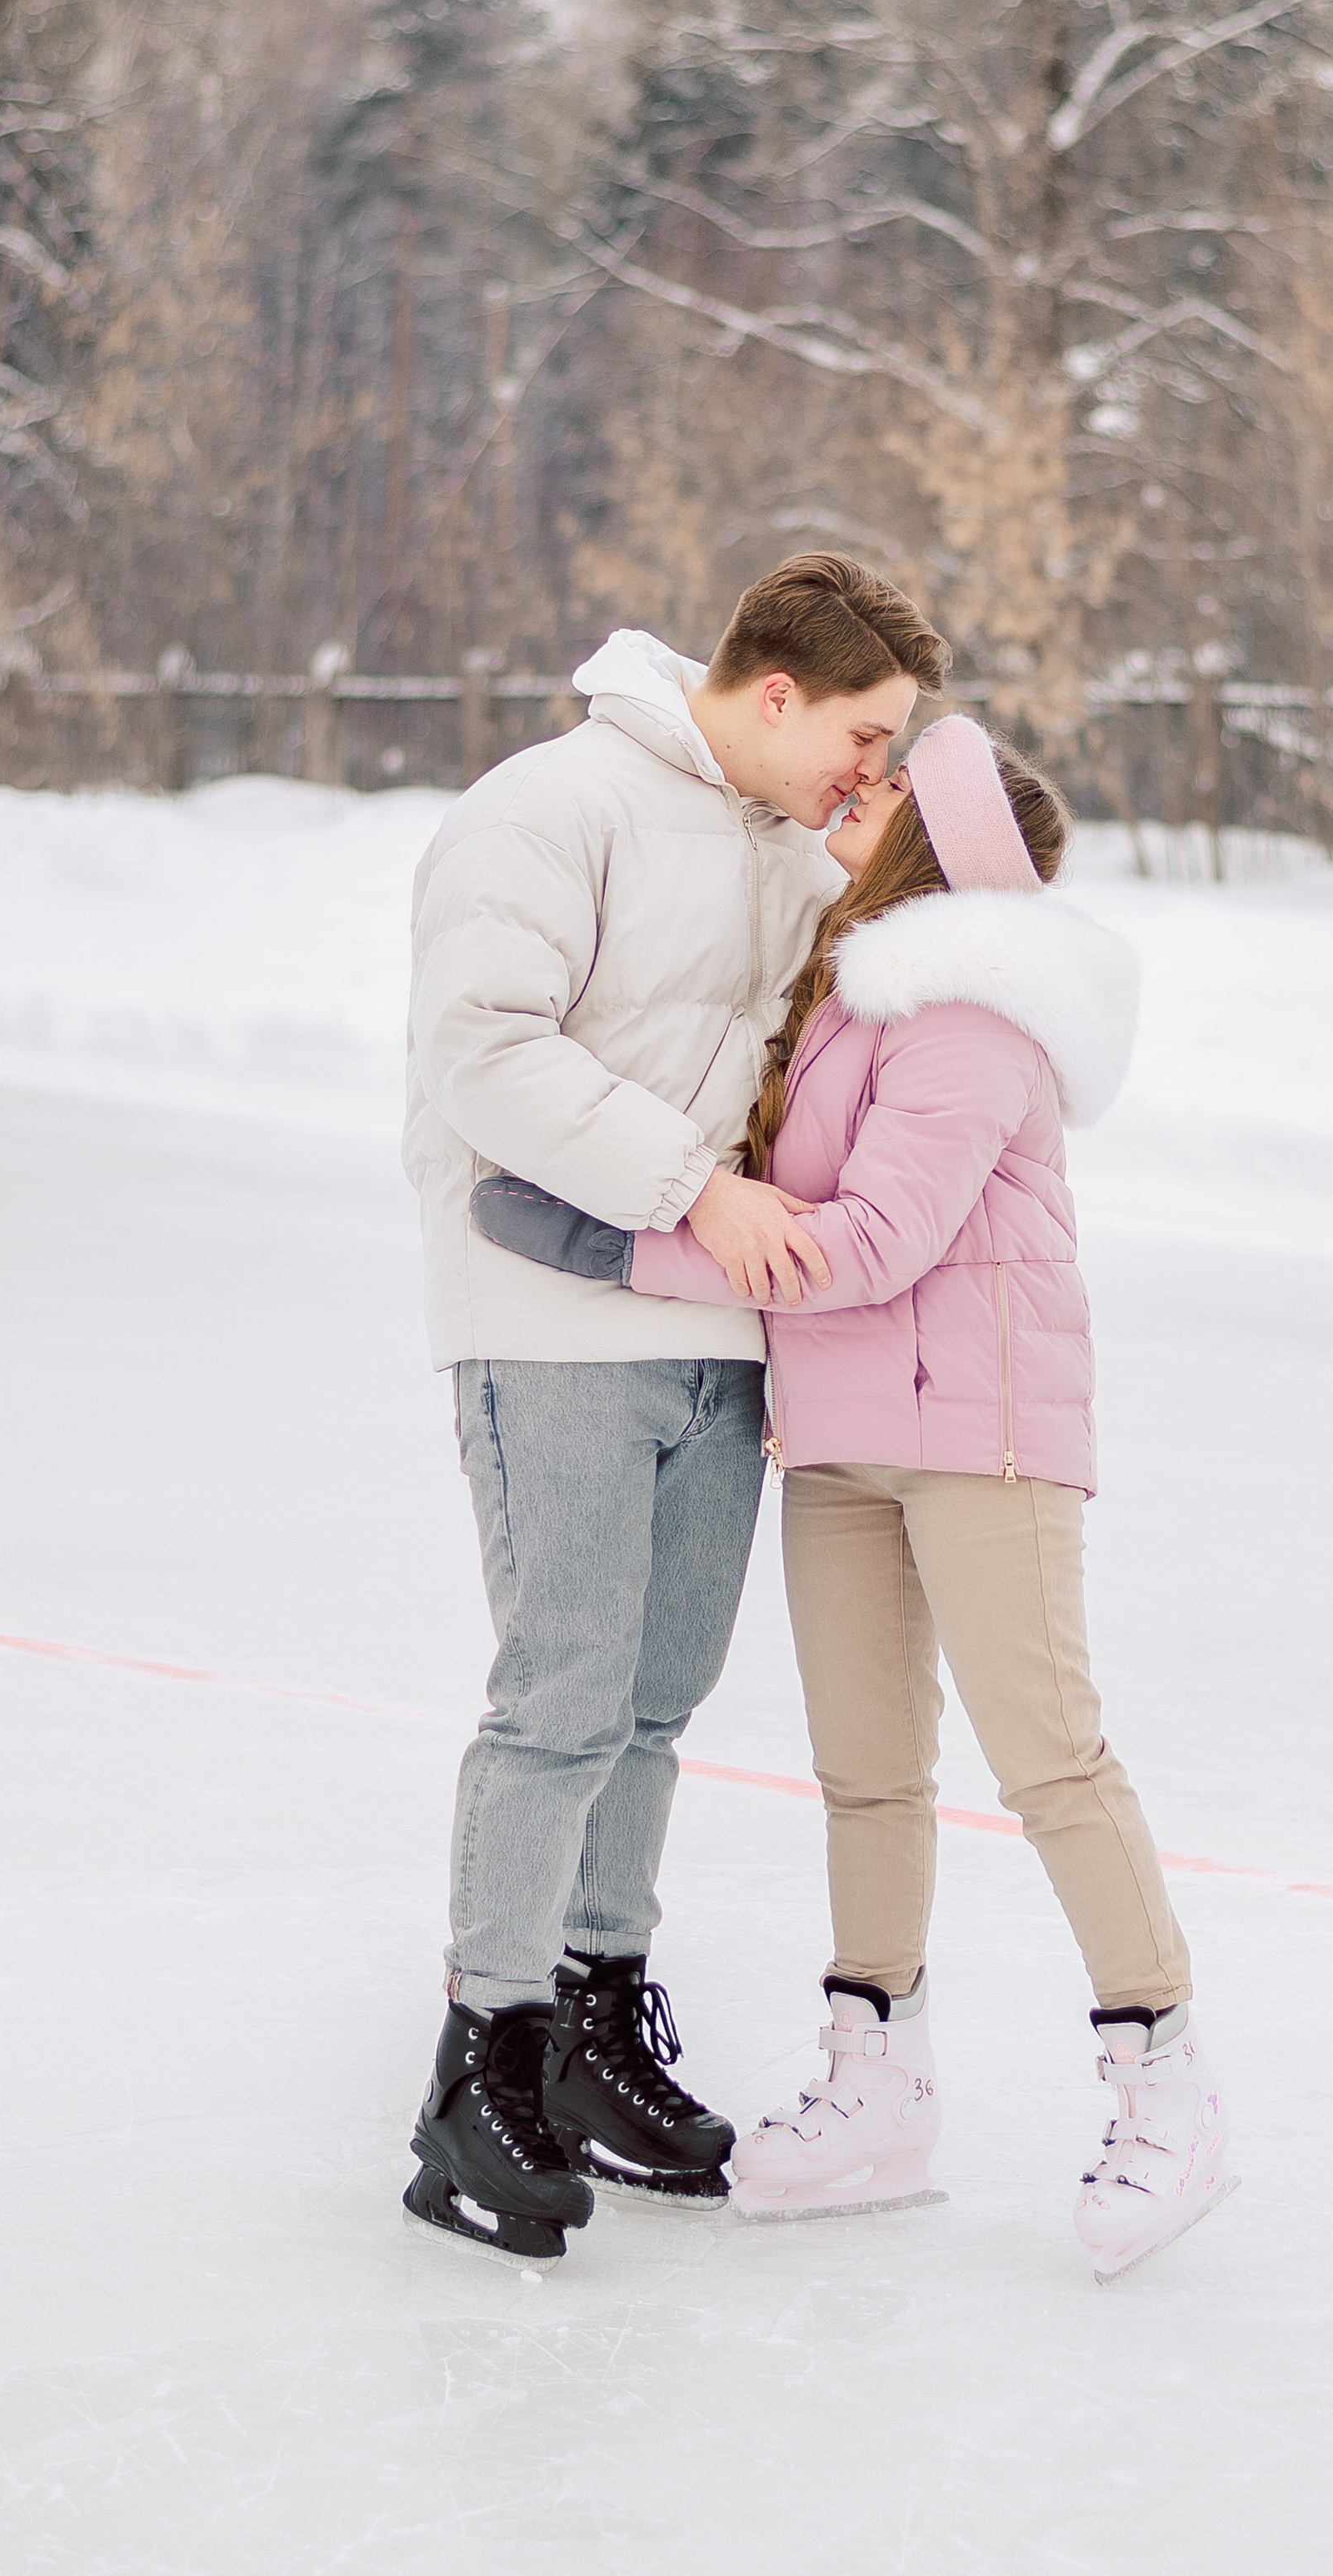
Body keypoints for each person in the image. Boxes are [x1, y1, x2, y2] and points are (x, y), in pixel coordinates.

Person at [476, 715, 1232, 2283]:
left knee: (1048, 1758)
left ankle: (1164, 2073)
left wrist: (622, 1244)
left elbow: (873, 1240)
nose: (854, 788)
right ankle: (876, 2074)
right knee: (868, 1770)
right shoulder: (845, 993)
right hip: (837, 1430)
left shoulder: (967, 1007)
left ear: (929, 842)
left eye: (887, 785)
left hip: (976, 1426)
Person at [399, 553, 951, 2265]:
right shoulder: (548, 807)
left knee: (650, 1700)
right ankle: (476, 2064)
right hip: (545, 1314)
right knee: (560, 1692)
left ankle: (586, 2017)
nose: (873, 769)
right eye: (864, 732)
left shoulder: (799, 862)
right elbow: (481, 1044)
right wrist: (686, 1189)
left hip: (714, 1334)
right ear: (773, 690)